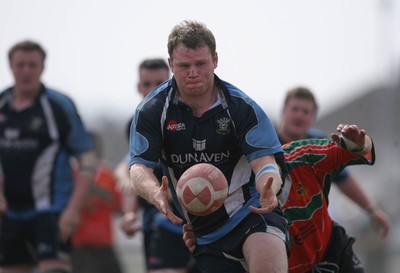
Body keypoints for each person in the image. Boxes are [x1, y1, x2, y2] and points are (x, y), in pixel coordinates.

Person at [129, 20, 290, 273]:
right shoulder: (152, 111)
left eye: (200, 64)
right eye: (184, 65)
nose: (193, 72)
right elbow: (138, 167)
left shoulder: (241, 107)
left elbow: (265, 162)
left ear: (215, 60)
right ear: (171, 64)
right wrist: (154, 193)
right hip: (203, 231)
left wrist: (269, 184)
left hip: (251, 211)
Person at [183, 123, 377, 272]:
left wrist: (360, 143)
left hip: (330, 249)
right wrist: (201, 240)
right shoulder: (228, 196)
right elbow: (212, 246)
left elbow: (360, 150)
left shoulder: (305, 155)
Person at [0, 40, 96, 273]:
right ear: (10, 66)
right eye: (20, 65)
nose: (26, 71)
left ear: (42, 68)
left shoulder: (58, 105)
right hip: (8, 214)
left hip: (51, 212)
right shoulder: (2, 104)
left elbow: (88, 158)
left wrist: (73, 209)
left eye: (32, 65)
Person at [115, 58, 196, 273]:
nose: (152, 90)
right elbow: (130, 169)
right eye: (147, 84)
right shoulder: (136, 124)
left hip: (201, 217)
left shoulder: (191, 114)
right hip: (162, 222)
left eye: (159, 83)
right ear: (138, 87)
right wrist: (129, 214)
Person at [276, 86, 390, 238]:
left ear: (313, 117)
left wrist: (372, 210)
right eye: (295, 109)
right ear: (284, 111)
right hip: (276, 226)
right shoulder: (266, 143)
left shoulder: (318, 144)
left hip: (313, 229)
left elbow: (343, 178)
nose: (299, 115)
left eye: (305, 112)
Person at [71, 132, 123, 273]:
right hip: (81, 243)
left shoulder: (107, 175)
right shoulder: (72, 174)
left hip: (104, 241)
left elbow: (119, 206)